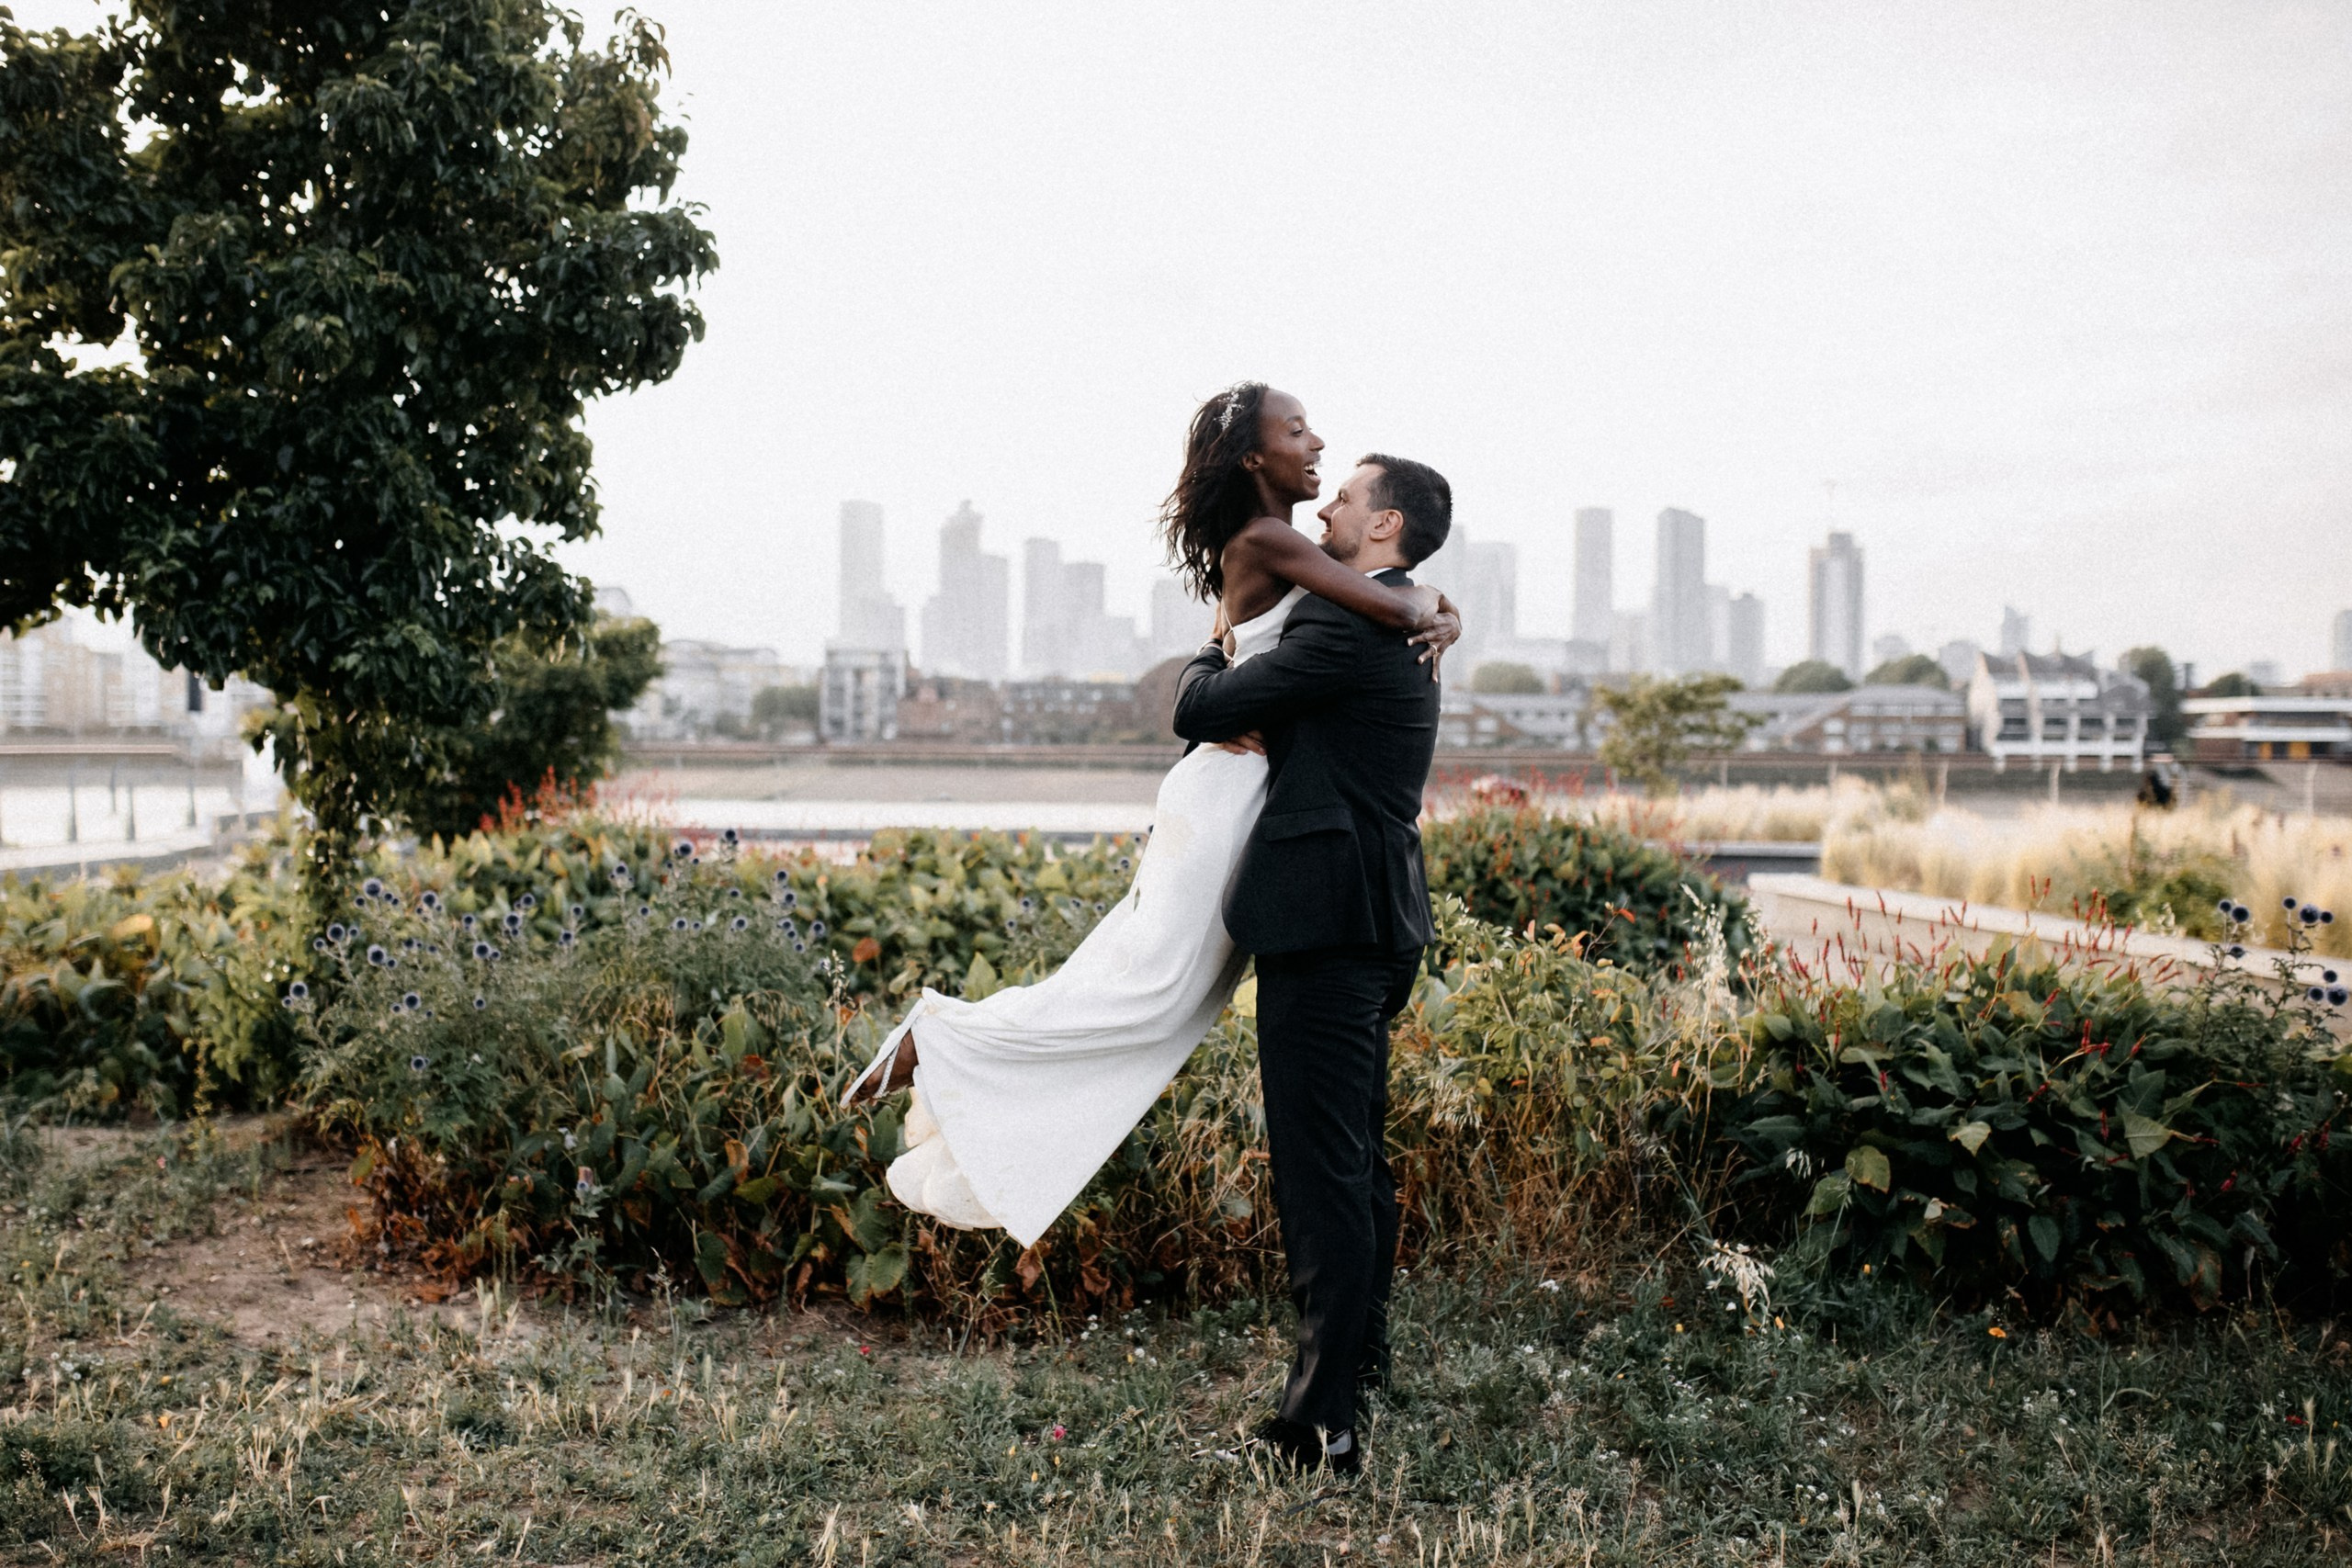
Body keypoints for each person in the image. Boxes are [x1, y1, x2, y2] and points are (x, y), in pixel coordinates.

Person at [840, 385, 1458, 1264]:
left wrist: (1434, 601)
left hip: (1239, 797)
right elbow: (1389, 610)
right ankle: (941, 1037)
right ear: (1253, 457)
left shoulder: (1266, 549)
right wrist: (1438, 611)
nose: (1317, 449)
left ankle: (950, 1044)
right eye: (1295, 431)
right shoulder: (1269, 539)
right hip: (1224, 798)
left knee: (1152, 990)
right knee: (1148, 991)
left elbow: (1289, 632)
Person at [1169, 450, 1451, 1478]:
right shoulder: (1402, 619)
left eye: (1346, 496)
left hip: (1328, 928)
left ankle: (1320, 1427)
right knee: (1355, 1166)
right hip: (1376, 922)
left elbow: (1199, 710)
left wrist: (1209, 653)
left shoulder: (1347, 624)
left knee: (1321, 1174)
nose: (1326, 505)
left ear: (1384, 529)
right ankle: (1357, 1372)